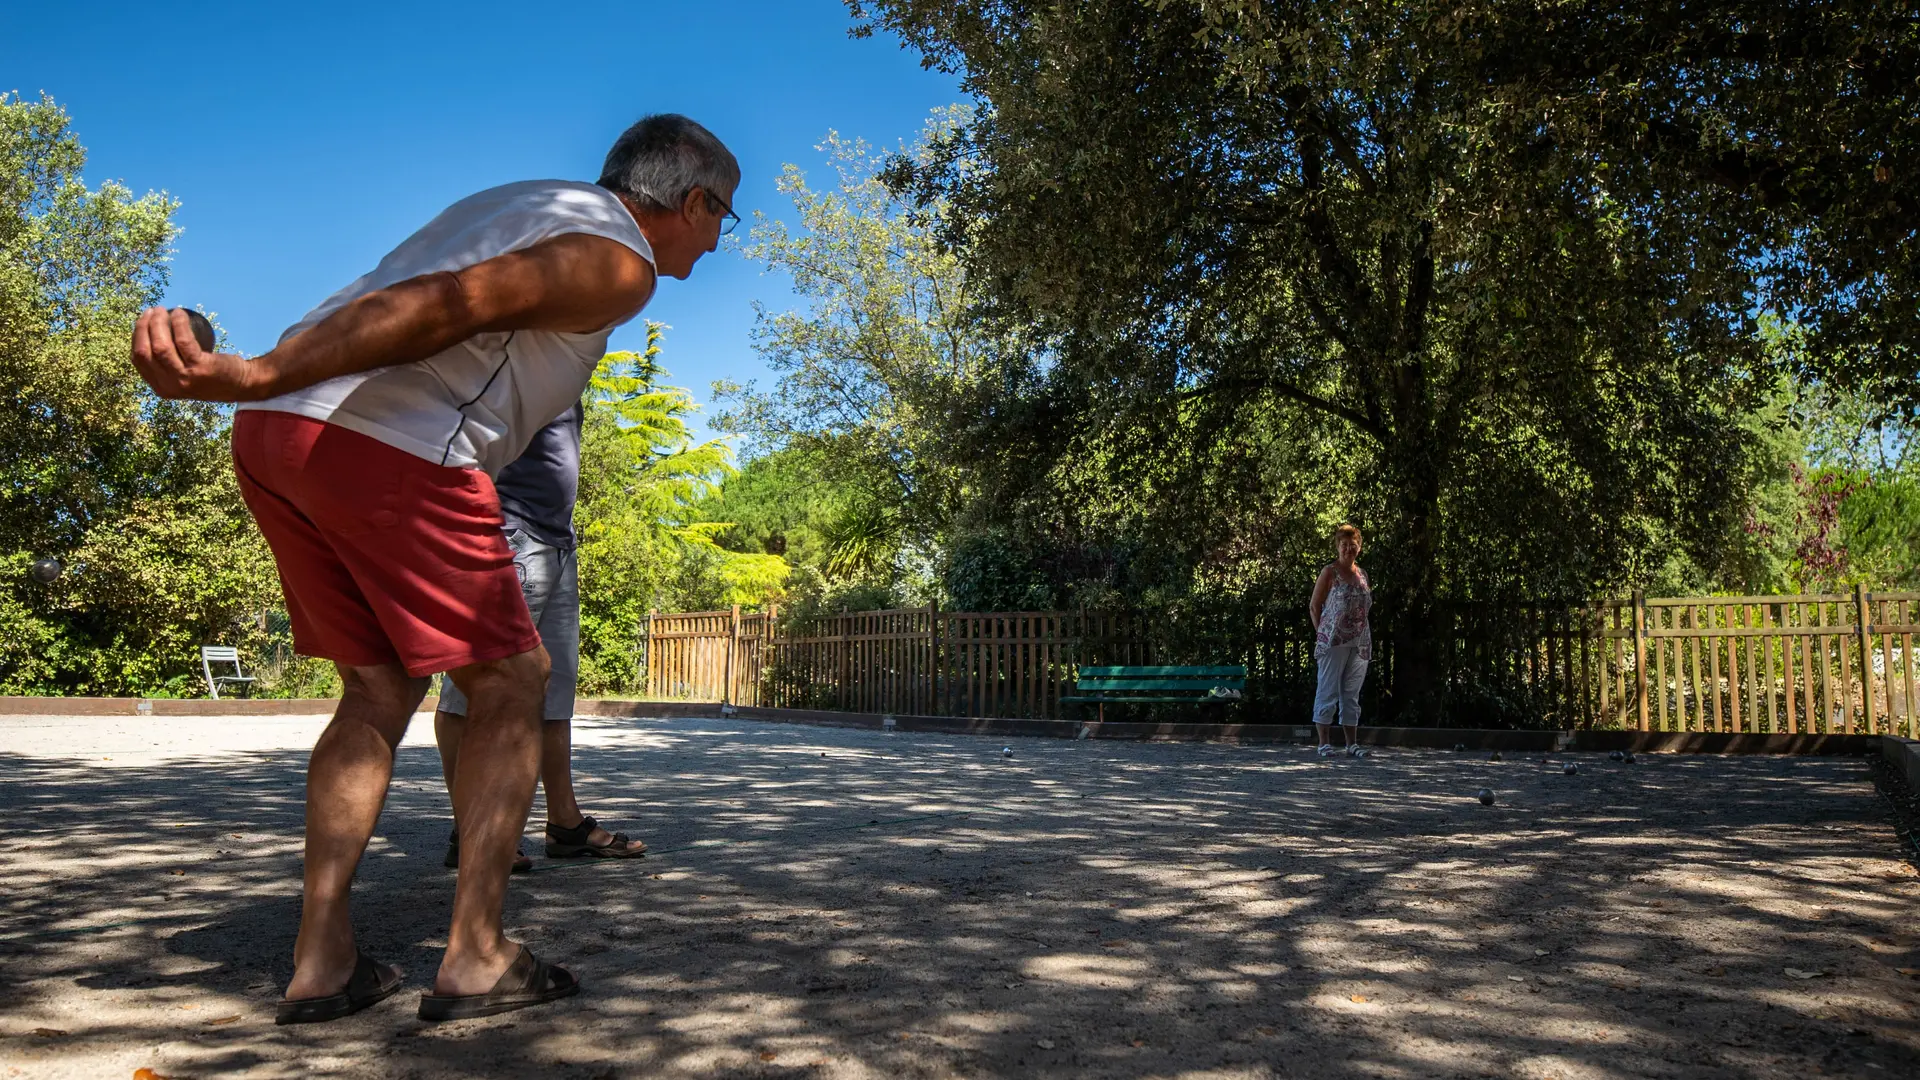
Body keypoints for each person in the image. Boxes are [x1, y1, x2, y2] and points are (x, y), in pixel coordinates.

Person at [127, 114, 739, 1025]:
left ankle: (322, 958)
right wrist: (259, 370)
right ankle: (477, 956)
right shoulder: (619, 260)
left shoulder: (519, 201)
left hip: (280, 440)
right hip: (387, 445)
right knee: (512, 682)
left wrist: (269, 387)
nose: (722, 237)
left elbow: (410, 288)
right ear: (691, 201)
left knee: (376, 691)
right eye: (725, 216)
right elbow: (454, 302)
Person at [435, 400, 645, 872]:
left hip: (556, 541)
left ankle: (565, 825)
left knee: (553, 689)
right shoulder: (507, 346)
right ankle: (472, 828)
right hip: (509, 534)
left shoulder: (563, 359)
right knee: (473, 689)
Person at [1309, 524, 1371, 757]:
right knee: (1327, 690)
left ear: (1359, 547)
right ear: (1338, 547)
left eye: (1352, 545)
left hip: (1359, 641)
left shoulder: (1362, 574)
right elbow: (1315, 606)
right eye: (1344, 545)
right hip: (1333, 641)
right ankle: (1323, 743)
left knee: (1351, 693)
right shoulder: (1330, 572)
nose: (1348, 549)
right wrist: (1322, 634)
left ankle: (1351, 743)